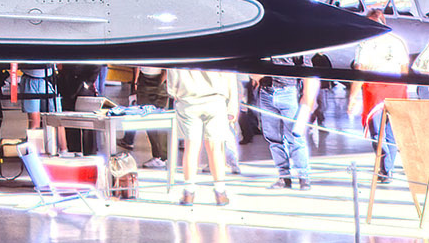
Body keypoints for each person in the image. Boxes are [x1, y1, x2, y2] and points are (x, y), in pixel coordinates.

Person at [349, 7, 409, 183]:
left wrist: (352, 97)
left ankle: (385, 167)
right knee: (390, 132)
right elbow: (404, 69)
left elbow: (360, 72)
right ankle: (387, 168)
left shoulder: (365, 43)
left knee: (377, 134)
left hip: (375, 93)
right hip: (397, 90)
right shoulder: (398, 41)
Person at [167, 68, 239, 206]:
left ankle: (189, 193)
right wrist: (232, 105)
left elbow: (173, 73)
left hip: (188, 101)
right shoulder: (219, 48)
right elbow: (230, 74)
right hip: (216, 101)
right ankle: (220, 193)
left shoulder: (178, 46)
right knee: (216, 148)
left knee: (191, 148)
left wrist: (174, 91)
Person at [251, 57, 319, 190]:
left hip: (289, 90)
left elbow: (306, 66)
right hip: (266, 91)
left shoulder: (293, 41)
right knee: (273, 138)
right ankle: (284, 177)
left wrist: (307, 97)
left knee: (295, 137)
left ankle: (303, 177)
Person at [125, 67, 170, 169]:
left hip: (160, 79)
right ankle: (158, 155)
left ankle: (163, 156)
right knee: (147, 118)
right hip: (144, 78)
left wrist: (162, 81)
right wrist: (136, 81)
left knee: (159, 119)